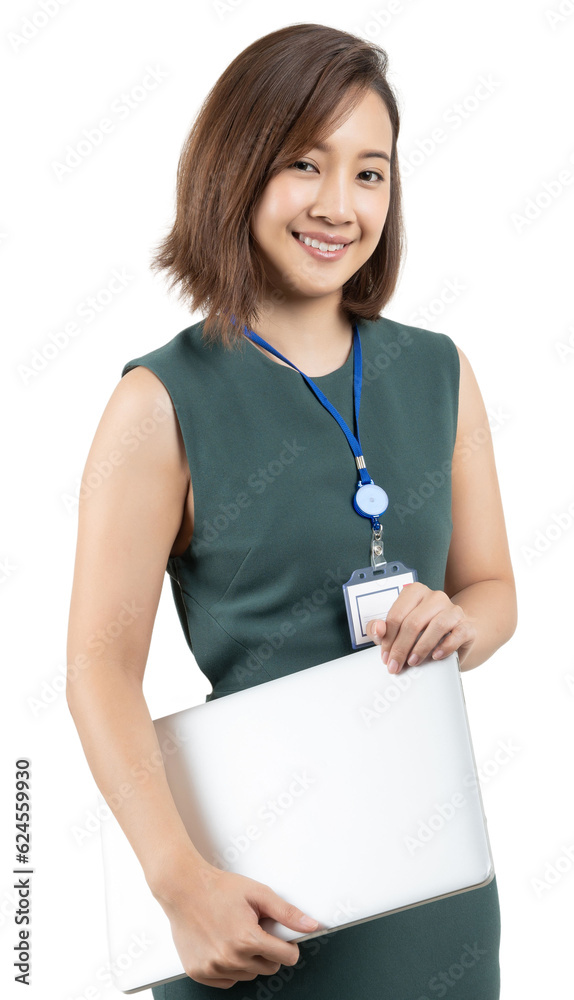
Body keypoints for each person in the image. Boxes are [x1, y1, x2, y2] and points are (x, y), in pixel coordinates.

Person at [66, 22, 517, 1000]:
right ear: (236, 170)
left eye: (369, 173)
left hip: (438, 899)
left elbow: (492, 591)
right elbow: (98, 669)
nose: (336, 204)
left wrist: (460, 620)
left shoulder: (438, 371)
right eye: (303, 163)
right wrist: (180, 885)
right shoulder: (156, 404)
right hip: (252, 902)